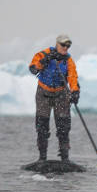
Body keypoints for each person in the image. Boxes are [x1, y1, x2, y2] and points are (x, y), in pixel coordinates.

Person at [28, 34, 80, 162]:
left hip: (61, 94)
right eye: (63, 45)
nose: (65, 48)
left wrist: (75, 92)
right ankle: (42, 158)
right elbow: (33, 69)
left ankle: (65, 158)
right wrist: (45, 60)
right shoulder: (43, 54)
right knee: (42, 126)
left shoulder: (68, 61)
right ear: (57, 44)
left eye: (68, 46)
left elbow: (73, 78)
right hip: (43, 93)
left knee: (63, 127)